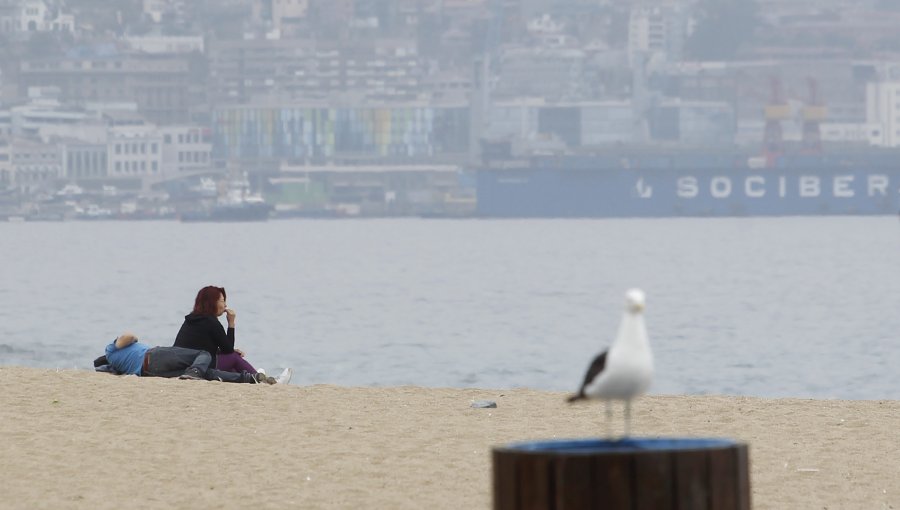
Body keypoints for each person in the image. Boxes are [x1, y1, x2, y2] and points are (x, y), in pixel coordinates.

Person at [174, 285, 292, 384]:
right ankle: (262, 380)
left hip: (183, 365)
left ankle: (259, 378)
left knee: (232, 365)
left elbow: (200, 348)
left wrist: (226, 351)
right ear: (212, 303)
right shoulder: (211, 322)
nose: (225, 305)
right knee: (234, 358)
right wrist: (231, 323)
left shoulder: (191, 319)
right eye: (222, 301)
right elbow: (228, 350)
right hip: (197, 368)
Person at [103, 332, 277, 384]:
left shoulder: (116, 362)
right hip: (154, 355)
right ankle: (194, 371)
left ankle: (248, 379)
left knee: (207, 373)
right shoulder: (111, 350)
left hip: (149, 372)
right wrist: (133, 340)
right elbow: (129, 335)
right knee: (204, 354)